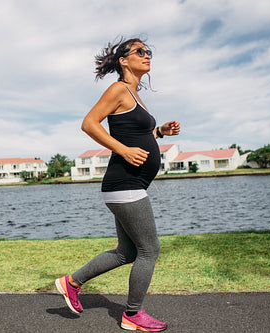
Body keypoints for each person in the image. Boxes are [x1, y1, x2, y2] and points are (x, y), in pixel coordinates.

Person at [55, 37, 180, 332]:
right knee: (150, 249)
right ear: (124, 60)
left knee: (128, 252)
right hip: (125, 183)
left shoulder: (134, 96)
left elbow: (139, 133)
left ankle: (71, 283)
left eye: (149, 51)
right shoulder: (118, 89)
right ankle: (133, 314)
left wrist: (159, 131)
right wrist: (122, 151)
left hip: (129, 184)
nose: (147, 55)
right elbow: (89, 123)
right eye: (140, 51)